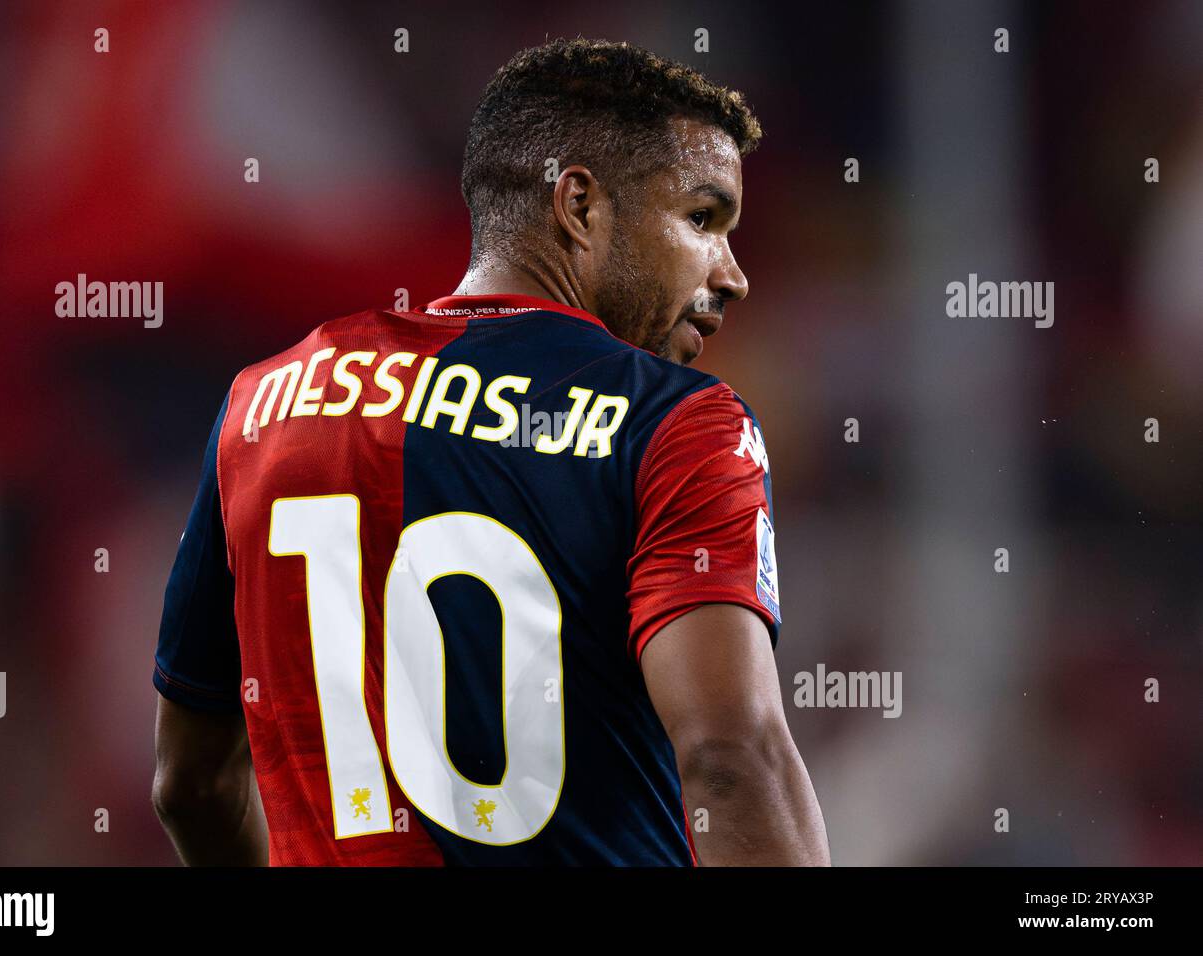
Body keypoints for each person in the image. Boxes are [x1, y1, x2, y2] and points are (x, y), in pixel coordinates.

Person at [152, 37, 829, 866]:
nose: (733, 275)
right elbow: (731, 760)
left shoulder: (260, 408)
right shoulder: (679, 424)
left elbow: (191, 783)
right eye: (702, 219)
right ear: (578, 206)